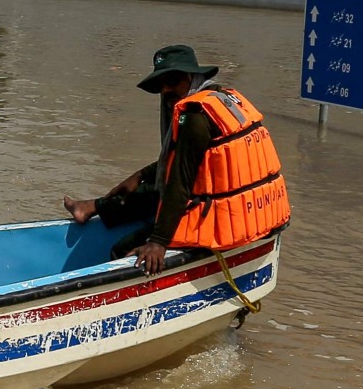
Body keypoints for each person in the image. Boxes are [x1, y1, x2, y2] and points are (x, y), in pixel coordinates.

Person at [62, 44, 289, 272]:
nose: (165, 90)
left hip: (224, 218)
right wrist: (140, 175)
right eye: (161, 85)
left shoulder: (195, 118)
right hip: (254, 209)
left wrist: (158, 242)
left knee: (121, 251)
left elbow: (179, 184)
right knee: (152, 189)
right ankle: (91, 207)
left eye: (173, 81)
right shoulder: (223, 99)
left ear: (192, 77)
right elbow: (186, 161)